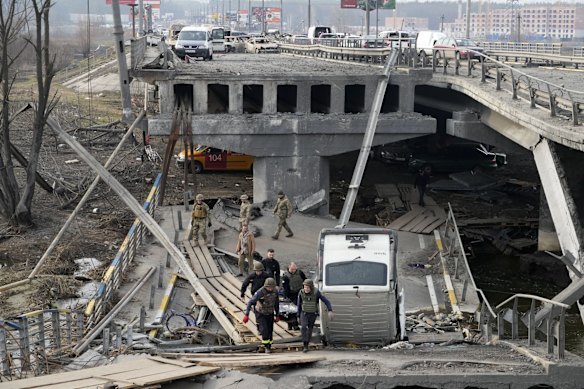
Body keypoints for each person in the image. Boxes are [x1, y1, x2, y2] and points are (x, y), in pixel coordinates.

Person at [242, 278, 280, 353]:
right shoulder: (260, 292)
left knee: (270, 330)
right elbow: (250, 302)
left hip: (270, 312)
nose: (270, 289)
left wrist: (277, 314)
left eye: (272, 287)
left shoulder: (275, 292)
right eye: (268, 287)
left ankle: (270, 344)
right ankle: (266, 347)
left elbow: (276, 303)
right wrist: (247, 314)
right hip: (261, 313)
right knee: (264, 330)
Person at [297, 279, 333, 353]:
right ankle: (305, 344)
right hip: (304, 313)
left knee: (310, 329)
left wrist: (330, 310)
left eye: (307, 287)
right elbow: (299, 304)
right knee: (303, 327)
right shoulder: (301, 293)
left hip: (312, 313)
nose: (306, 289)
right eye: (305, 287)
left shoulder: (316, 293)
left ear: (311, 287)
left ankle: (307, 343)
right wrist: (298, 315)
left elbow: (326, 301)